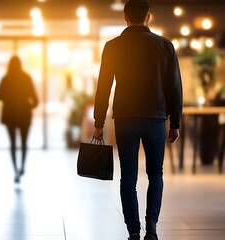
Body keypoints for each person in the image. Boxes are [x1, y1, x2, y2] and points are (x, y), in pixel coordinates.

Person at [92, 1, 183, 240]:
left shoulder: (113, 46)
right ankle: (151, 227)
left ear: (125, 17)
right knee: (156, 174)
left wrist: (99, 122)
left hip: (125, 118)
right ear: (149, 17)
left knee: (128, 178)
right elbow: (174, 86)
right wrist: (175, 122)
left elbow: (104, 86)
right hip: (155, 118)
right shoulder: (164, 45)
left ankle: (133, 231)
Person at [0, 55, 39, 183]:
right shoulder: (26, 78)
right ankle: (22, 167)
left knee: (13, 144)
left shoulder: (6, 79)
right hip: (24, 114)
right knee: (24, 142)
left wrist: (10, 100)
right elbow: (35, 100)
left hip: (10, 114)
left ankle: (15, 169)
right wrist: (28, 106)